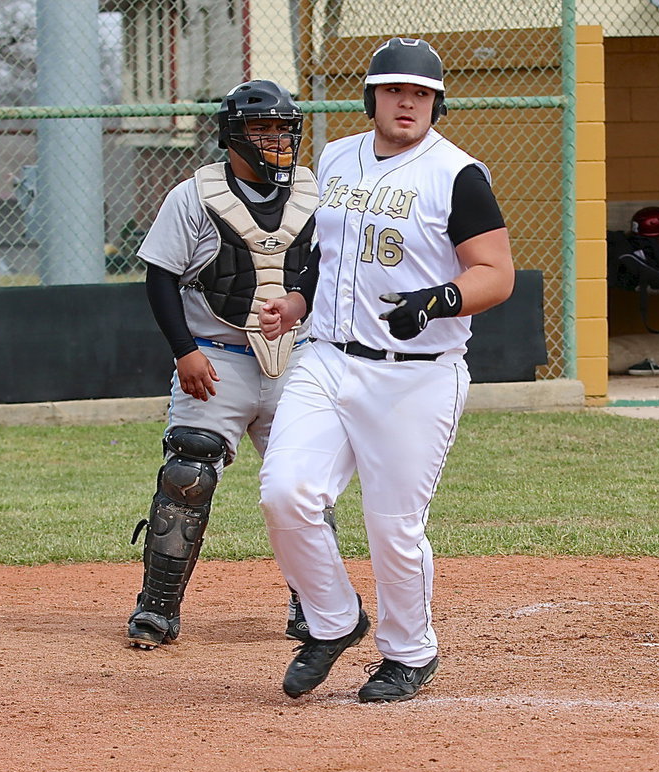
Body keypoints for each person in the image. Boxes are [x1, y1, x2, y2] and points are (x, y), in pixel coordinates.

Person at [258, 38, 514, 702]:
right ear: (372, 97)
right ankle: (335, 620)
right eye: (395, 90)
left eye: (421, 93)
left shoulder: (457, 175)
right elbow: (326, 253)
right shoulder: (336, 156)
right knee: (285, 492)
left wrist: (438, 300)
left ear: (436, 104)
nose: (408, 102)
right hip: (327, 357)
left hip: (415, 375)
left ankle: (409, 652)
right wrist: (297, 302)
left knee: (392, 525)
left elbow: (496, 273)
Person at [126, 79, 331, 650]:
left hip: (298, 356)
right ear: (233, 136)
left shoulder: (317, 193)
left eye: (284, 129)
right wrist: (184, 350)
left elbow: (328, 270)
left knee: (305, 485)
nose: (276, 141)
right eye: (262, 129)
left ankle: (317, 606)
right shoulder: (194, 195)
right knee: (187, 476)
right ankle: (157, 608)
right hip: (216, 356)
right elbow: (160, 278)